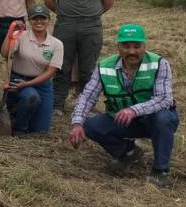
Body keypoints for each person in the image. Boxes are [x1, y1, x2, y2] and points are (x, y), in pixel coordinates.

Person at [68, 24, 178, 188]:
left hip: (152, 120)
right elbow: (87, 97)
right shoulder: (104, 66)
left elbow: (164, 99)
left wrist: (134, 110)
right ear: (118, 47)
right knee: (90, 125)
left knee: (163, 118)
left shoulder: (159, 63)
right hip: (123, 121)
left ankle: (160, 169)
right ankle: (128, 152)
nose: (131, 51)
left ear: (144, 46)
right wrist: (76, 123)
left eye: (136, 46)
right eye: (126, 46)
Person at [44, 0, 115, 114]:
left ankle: (85, 105)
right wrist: (66, 13)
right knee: (61, 66)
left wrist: (91, 14)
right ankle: (57, 104)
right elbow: (49, 0)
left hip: (91, 27)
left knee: (88, 68)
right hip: (65, 26)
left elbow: (108, 2)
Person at [3, 6, 62, 135]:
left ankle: (22, 113)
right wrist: (10, 34)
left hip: (42, 83)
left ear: (48, 20)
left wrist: (29, 84)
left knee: (41, 130)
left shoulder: (56, 44)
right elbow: (5, 54)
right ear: (29, 20)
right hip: (19, 78)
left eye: (43, 18)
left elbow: (51, 71)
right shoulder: (20, 36)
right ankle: (19, 126)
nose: (39, 22)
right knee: (31, 97)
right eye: (35, 18)